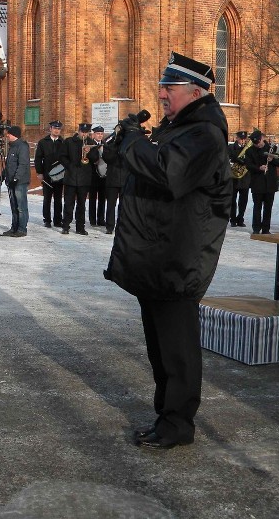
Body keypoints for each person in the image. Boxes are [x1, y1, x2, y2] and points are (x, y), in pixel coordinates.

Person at [104, 52, 231, 449]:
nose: (161, 94)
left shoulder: (204, 133)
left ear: (195, 92)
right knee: (160, 349)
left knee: (177, 352)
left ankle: (178, 425)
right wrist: (125, 142)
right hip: (157, 256)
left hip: (178, 259)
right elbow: (140, 167)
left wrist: (135, 142)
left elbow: (167, 171)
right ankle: (166, 418)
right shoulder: (179, 127)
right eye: (162, 86)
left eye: (169, 88)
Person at [60, 123, 97, 235]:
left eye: (86, 132)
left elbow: (95, 159)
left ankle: (80, 227)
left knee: (81, 204)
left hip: (84, 178)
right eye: (82, 132)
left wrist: (88, 153)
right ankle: (66, 225)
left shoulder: (91, 143)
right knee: (68, 203)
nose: (84, 134)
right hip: (71, 177)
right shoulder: (69, 141)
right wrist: (69, 166)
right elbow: (62, 156)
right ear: (78, 131)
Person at [244, 130, 279, 234]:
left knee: (268, 207)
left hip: (270, 183)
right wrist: (259, 168)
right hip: (257, 183)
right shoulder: (250, 151)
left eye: (259, 142)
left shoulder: (272, 148)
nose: (258, 145)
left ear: (262, 139)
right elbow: (248, 165)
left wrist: (272, 160)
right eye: (255, 143)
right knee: (257, 206)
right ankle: (256, 228)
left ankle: (266, 229)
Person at [0, 125, 30, 237]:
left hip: (19, 182)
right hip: (11, 181)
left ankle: (22, 229)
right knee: (14, 206)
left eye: (9, 134)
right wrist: (3, 176)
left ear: (14, 135)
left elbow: (23, 164)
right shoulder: (12, 146)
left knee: (21, 207)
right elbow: (9, 165)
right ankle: (14, 227)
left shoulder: (22, 146)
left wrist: (16, 178)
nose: (7, 136)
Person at [33, 120, 64, 227]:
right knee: (47, 198)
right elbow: (38, 158)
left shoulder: (63, 142)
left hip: (60, 175)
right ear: (50, 129)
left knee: (58, 199)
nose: (56, 131)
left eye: (59, 129)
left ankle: (58, 220)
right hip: (46, 174)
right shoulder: (43, 142)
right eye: (55, 128)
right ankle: (47, 219)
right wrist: (39, 172)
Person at [101, 125, 130, 235]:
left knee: (123, 205)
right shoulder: (109, 142)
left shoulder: (127, 142)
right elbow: (106, 158)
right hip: (112, 178)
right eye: (117, 130)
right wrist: (115, 144)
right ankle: (110, 226)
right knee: (111, 204)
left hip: (124, 178)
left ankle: (122, 225)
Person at [228, 130, 251, 227]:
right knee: (232, 200)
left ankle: (240, 218)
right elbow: (228, 158)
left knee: (243, 200)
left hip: (245, 177)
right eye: (240, 139)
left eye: (244, 139)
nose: (242, 141)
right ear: (236, 138)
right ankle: (232, 219)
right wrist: (237, 159)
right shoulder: (231, 147)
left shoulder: (249, 149)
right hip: (233, 177)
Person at [88, 126, 108, 228]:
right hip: (93, 175)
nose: (99, 135)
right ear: (94, 134)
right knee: (92, 198)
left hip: (103, 176)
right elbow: (89, 157)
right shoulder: (90, 145)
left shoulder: (106, 144)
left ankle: (101, 219)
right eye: (97, 134)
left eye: (101, 134)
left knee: (102, 198)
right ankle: (92, 219)